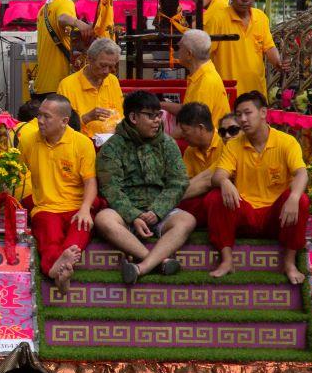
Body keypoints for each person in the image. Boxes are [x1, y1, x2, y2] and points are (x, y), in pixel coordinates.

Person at [207, 91, 310, 284]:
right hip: (245, 212)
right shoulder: (234, 145)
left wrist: (294, 197)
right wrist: (225, 182)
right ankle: (227, 260)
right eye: (239, 115)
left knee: (301, 200)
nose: (243, 119)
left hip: (276, 216)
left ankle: (289, 263)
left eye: (248, 113)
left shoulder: (286, 142)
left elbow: (301, 173)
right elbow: (219, 175)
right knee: (215, 195)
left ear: (263, 113)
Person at [95, 90, 195, 284]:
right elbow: (110, 187)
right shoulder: (113, 147)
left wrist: (157, 211)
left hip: (160, 211)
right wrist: (133, 215)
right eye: (150, 116)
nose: (157, 121)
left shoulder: (167, 143)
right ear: (133, 117)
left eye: (159, 115)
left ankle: (141, 267)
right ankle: (159, 262)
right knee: (103, 219)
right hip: (125, 214)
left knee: (187, 220)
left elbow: (179, 182)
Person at [18, 94, 100, 293]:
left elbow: (90, 181)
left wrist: (85, 209)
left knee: (80, 229)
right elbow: (16, 174)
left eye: (47, 117)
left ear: (64, 121)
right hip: (46, 207)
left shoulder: (82, 143)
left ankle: (60, 267)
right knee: (49, 236)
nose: (40, 121)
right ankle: (58, 270)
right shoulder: (28, 140)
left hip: (76, 205)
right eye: (39, 115)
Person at [204, 0, 289, 98]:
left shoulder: (261, 18)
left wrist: (278, 62)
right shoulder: (217, 18)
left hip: (255, 92)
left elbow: (269, 47)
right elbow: (205, 53)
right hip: (227, 91)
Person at [33, 0, 93, 97]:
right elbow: (62, 18)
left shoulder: (45, 8)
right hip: (59, 82)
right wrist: (79, 23)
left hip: (42, 83)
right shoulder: (65, 2)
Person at [160, 29, 231, 130]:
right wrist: (159, 104)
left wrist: (166, 140)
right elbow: (187, 110)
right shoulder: (201, 74)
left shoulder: (206, 82)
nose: (177, 50)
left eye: (180, 47)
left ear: (189, 54)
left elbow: (194, 128)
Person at [57, 38, 123, 139]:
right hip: (80, 143)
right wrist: (87, 118)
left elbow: (121, 116)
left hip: (111, 143)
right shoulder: (67, 85)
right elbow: (60, 125)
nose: (106, 71)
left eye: (111, 67)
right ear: (89, 59)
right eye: (103, 65)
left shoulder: (112, 80)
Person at [175, 102, 223, 225]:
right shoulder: (190, 150)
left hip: (220, 197)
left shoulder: (226, 143)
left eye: (185, 131)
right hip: (196, 197)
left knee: (214, 198)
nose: (182, 136)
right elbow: (183, 181)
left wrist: (167, 199)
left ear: (201, 128)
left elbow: (208, 180)